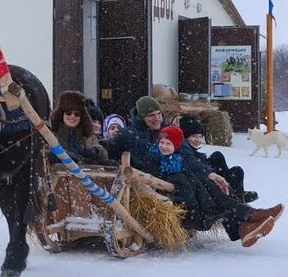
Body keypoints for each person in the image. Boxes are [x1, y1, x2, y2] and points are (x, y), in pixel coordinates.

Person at [144, 125, 282, 247]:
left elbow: (192, 169)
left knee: (215, 190)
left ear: (176, 146)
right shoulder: (156, 159)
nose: (164, 146)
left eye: (168, 143)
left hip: (195, 199)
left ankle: (246, 224)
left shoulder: (177, 160)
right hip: (187, 206)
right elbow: (173, 182)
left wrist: (212, 176)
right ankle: (249, 218)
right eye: (162, 142)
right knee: (219, 202)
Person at [179, 115, 258, 203]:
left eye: (200, 137)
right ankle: (234, 196)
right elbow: (192, 162)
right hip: (202, 179)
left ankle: (238, 194)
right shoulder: (184, 148)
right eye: (194, 136)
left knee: (234, 168)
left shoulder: (192, 150)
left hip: (207, 173)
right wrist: (210, 173)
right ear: (186, 136)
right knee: (218, 158)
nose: (198, 140)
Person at [49, 91, 111, 165]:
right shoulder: (51, 134)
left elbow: (103, 155)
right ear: (61, 114)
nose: (72, 116)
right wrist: (81, 158)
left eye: (77, 114)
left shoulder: (88, 136)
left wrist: (95, 151)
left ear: (81, 117)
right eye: (68, 112)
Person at [107, 95, 165, 170]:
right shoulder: (125, 136)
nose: (157, 118)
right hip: (136, 178)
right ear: (141, 118)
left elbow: (184, 156)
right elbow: (111, 159)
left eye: (159, 114)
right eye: (151, 115)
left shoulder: (170, 131)